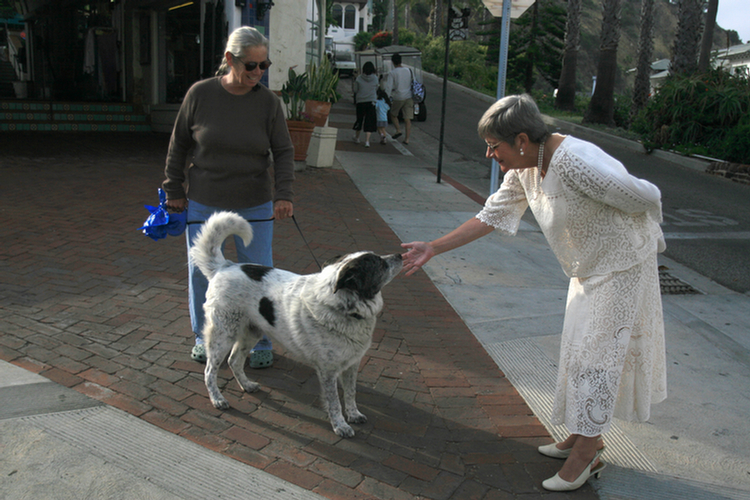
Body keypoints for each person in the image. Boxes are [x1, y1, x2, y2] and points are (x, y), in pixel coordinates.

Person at [401, 94, 667, 492]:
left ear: (521, 140)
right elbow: (490, 215)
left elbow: (645, 195)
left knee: (598, 360)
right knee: (578, 351)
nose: (489, 154)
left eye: (494, 146)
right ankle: (581, 434)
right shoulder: (527, 167)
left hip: (622, 267)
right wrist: (434, 247)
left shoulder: (575, 160)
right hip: (587, 269)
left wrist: (644, 234)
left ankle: (588, 452)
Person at [161, 26, 295, 368]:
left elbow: (283, 151)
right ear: (229, 59)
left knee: (259, 274)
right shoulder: (200, 94)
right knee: (202, 272)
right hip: (205, 197)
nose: (258, 73)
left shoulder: (268, 103)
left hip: (254, 199)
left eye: (264, 65)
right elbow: (178, 146)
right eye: (251, 65)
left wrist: (283, 194)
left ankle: (261, 339)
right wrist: (173, 189)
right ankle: (205, 337)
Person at [385, 53, 413, 145]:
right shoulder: (408, 70)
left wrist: (386, 98)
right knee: (407, 118)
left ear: (393, 62)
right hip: (408, 96)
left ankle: (398, 130)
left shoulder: (392, 73)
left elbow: (388, 88)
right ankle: (407, 139)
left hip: (399, 96)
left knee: (393, 114)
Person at [352, 61, 379, 147]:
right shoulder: (375, 78)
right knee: (369, 121)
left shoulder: (359, 78)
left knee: (360, 119)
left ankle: (357, 137)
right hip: (371, 101)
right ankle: (367, 141)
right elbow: (377, 88)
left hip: (360, 101)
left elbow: (355, 90)